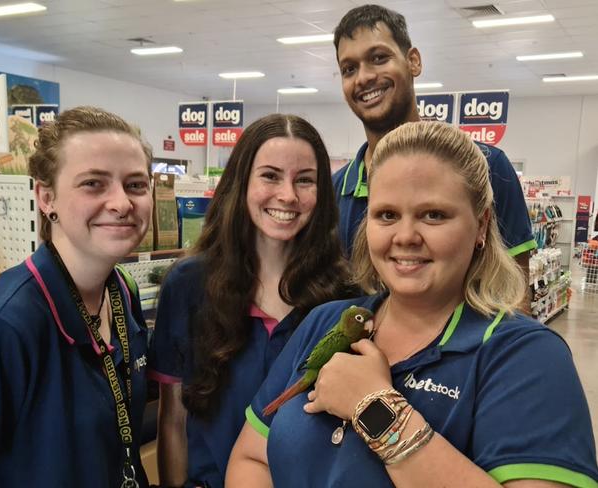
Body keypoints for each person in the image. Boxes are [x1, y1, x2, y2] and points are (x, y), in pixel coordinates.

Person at [226, 121, 598, 488]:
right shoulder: (327, 321)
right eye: (387, 215)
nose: (405, 237)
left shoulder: (526, 357)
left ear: (481, 225)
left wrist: (376, 407)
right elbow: (251, 457)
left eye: (433, 215)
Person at [0, 106, 153, 487]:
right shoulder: (2, 326)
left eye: (136, 184)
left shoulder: (123, 291)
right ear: (46, 198)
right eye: (93, 183)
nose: (122, 203)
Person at [147, 113, 356, 488]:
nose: (288, 195)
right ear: (241, 182)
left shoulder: (344, 294)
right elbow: (173, 417)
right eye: (270, 175)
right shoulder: (190, 284)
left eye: (304, 180)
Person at [331, 5, 535, 291]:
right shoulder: (333, 191)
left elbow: (516, 294)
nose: (363, 77)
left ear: (413, 61)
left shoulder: (488, 166)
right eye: (348, 69)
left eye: (378, 58)